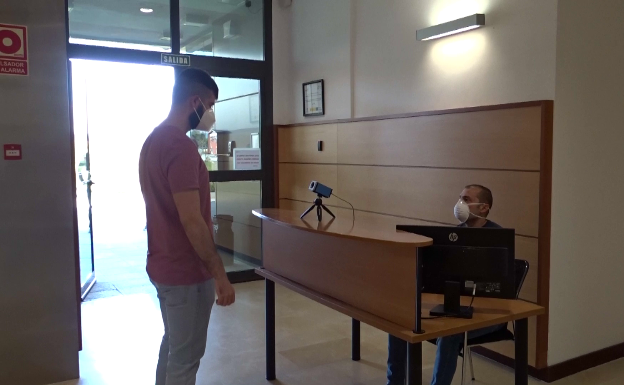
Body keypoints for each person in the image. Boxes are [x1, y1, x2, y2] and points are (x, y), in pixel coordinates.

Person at [139, 68, 235, 385]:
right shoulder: (179, 147)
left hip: (162, 265)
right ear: (194, 101)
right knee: (185, 360)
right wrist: (219, 274)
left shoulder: (152, 141)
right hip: (185, 272)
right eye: (209, 105)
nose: (210, 114)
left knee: (173, 348)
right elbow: (192, 220)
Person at [386, 184, 505, 385]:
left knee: (451, 334)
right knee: (401, 320)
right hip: (454, 305)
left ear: (484, 207)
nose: (460, 204)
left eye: (466, 199)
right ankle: (394, 382)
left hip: (490, 312)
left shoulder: (498, 237)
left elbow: (500, 285)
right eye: (459, 198)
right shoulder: (454, 235)